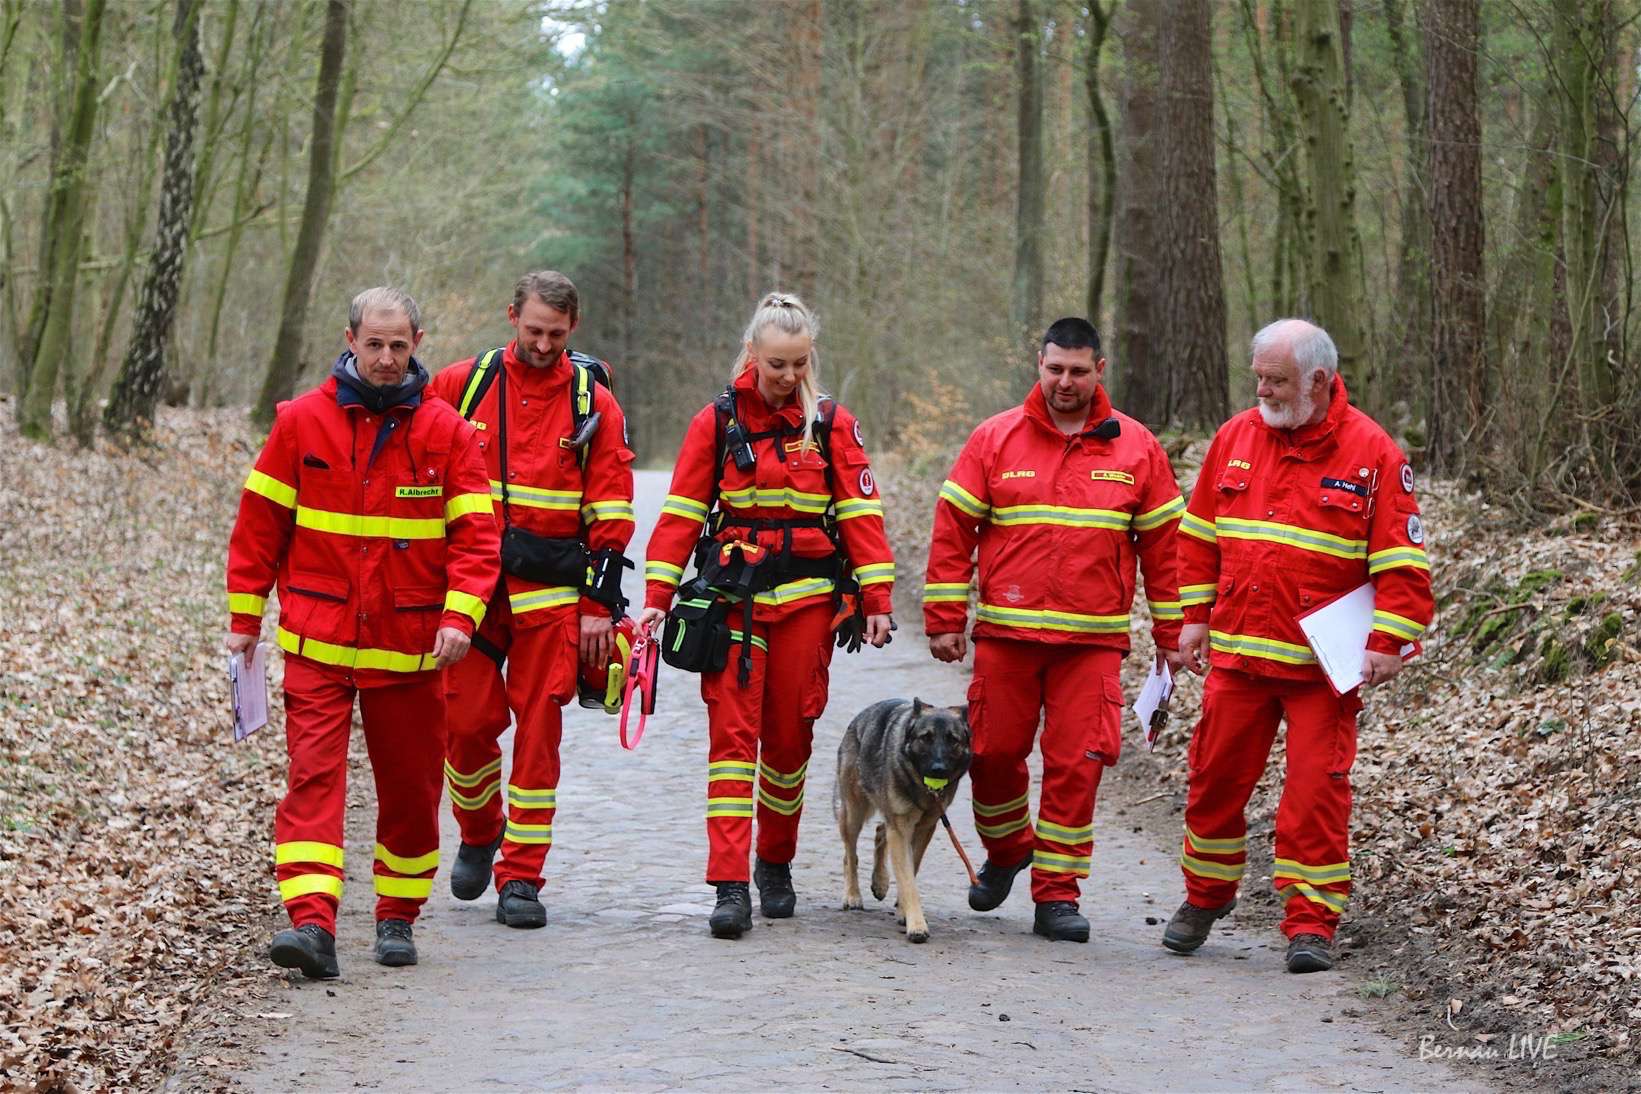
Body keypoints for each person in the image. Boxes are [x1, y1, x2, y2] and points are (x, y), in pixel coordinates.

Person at [225, 287, 499, 978]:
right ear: (349, 339)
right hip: (316, 644)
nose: (383, 358)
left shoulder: (449, 434)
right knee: (312, 781)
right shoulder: (300, 424)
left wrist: (460, 616)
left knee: (410, 792)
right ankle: (312, 925)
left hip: (410, 652)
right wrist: (244, 620)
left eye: (397, 346)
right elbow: (260, 528)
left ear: (416, 343)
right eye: (372, 344)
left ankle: (396, 918)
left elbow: (476, 541)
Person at [1163, 318, 1434, 974]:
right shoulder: (1233, 437)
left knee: (1314, 797)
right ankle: (1205, 897)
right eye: (1258, 377)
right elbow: (1196, 538)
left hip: (1321, 670)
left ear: (1317, 380)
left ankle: (1309, 923)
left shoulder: (1371, 453)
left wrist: (1388, 641)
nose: (1264, 390)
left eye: (1277, 380)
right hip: (1238, 655)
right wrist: (1191, 618)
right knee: (1213, 782)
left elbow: (1401, 561)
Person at [637, 291, 895, 939]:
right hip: (735, 606)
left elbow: (861, 516)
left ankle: (773, 864)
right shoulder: (716, 424)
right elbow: (679, 516)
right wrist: (654, 601)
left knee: (787, 747)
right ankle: (728, 883)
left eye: (798, 364)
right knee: (731, 747)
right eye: (776, 363)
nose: (787, 376)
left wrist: (877, 601)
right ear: (751, 354)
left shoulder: (833, 426)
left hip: (808, 604)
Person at [923, 316, 1187, 943]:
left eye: (1077, 370)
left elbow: (1167, 551)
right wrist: (944, 618)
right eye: (1054, 369)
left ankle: (1058, 895)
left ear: (1100, 370)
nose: (1064, 382)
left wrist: (1173, 634)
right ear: (1038, 367)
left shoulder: (1138, 448)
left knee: (1079, 765)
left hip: (1090, 645)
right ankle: (1010, 847)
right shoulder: (994, 439)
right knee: (988, 757)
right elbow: (952, 530)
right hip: (1006, 639)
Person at [427, 271, 635, 929]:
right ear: (511, 316)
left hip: (551, 595)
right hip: (474, 591)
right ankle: (480, 828)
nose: (543, 344)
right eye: (533, 330)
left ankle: (522, 878)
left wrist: (601, 605)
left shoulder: (593, 403)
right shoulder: (463, 384)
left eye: (555, 334)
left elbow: (610, 506)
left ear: (573, 328)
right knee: (463, 727)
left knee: (539, 736)